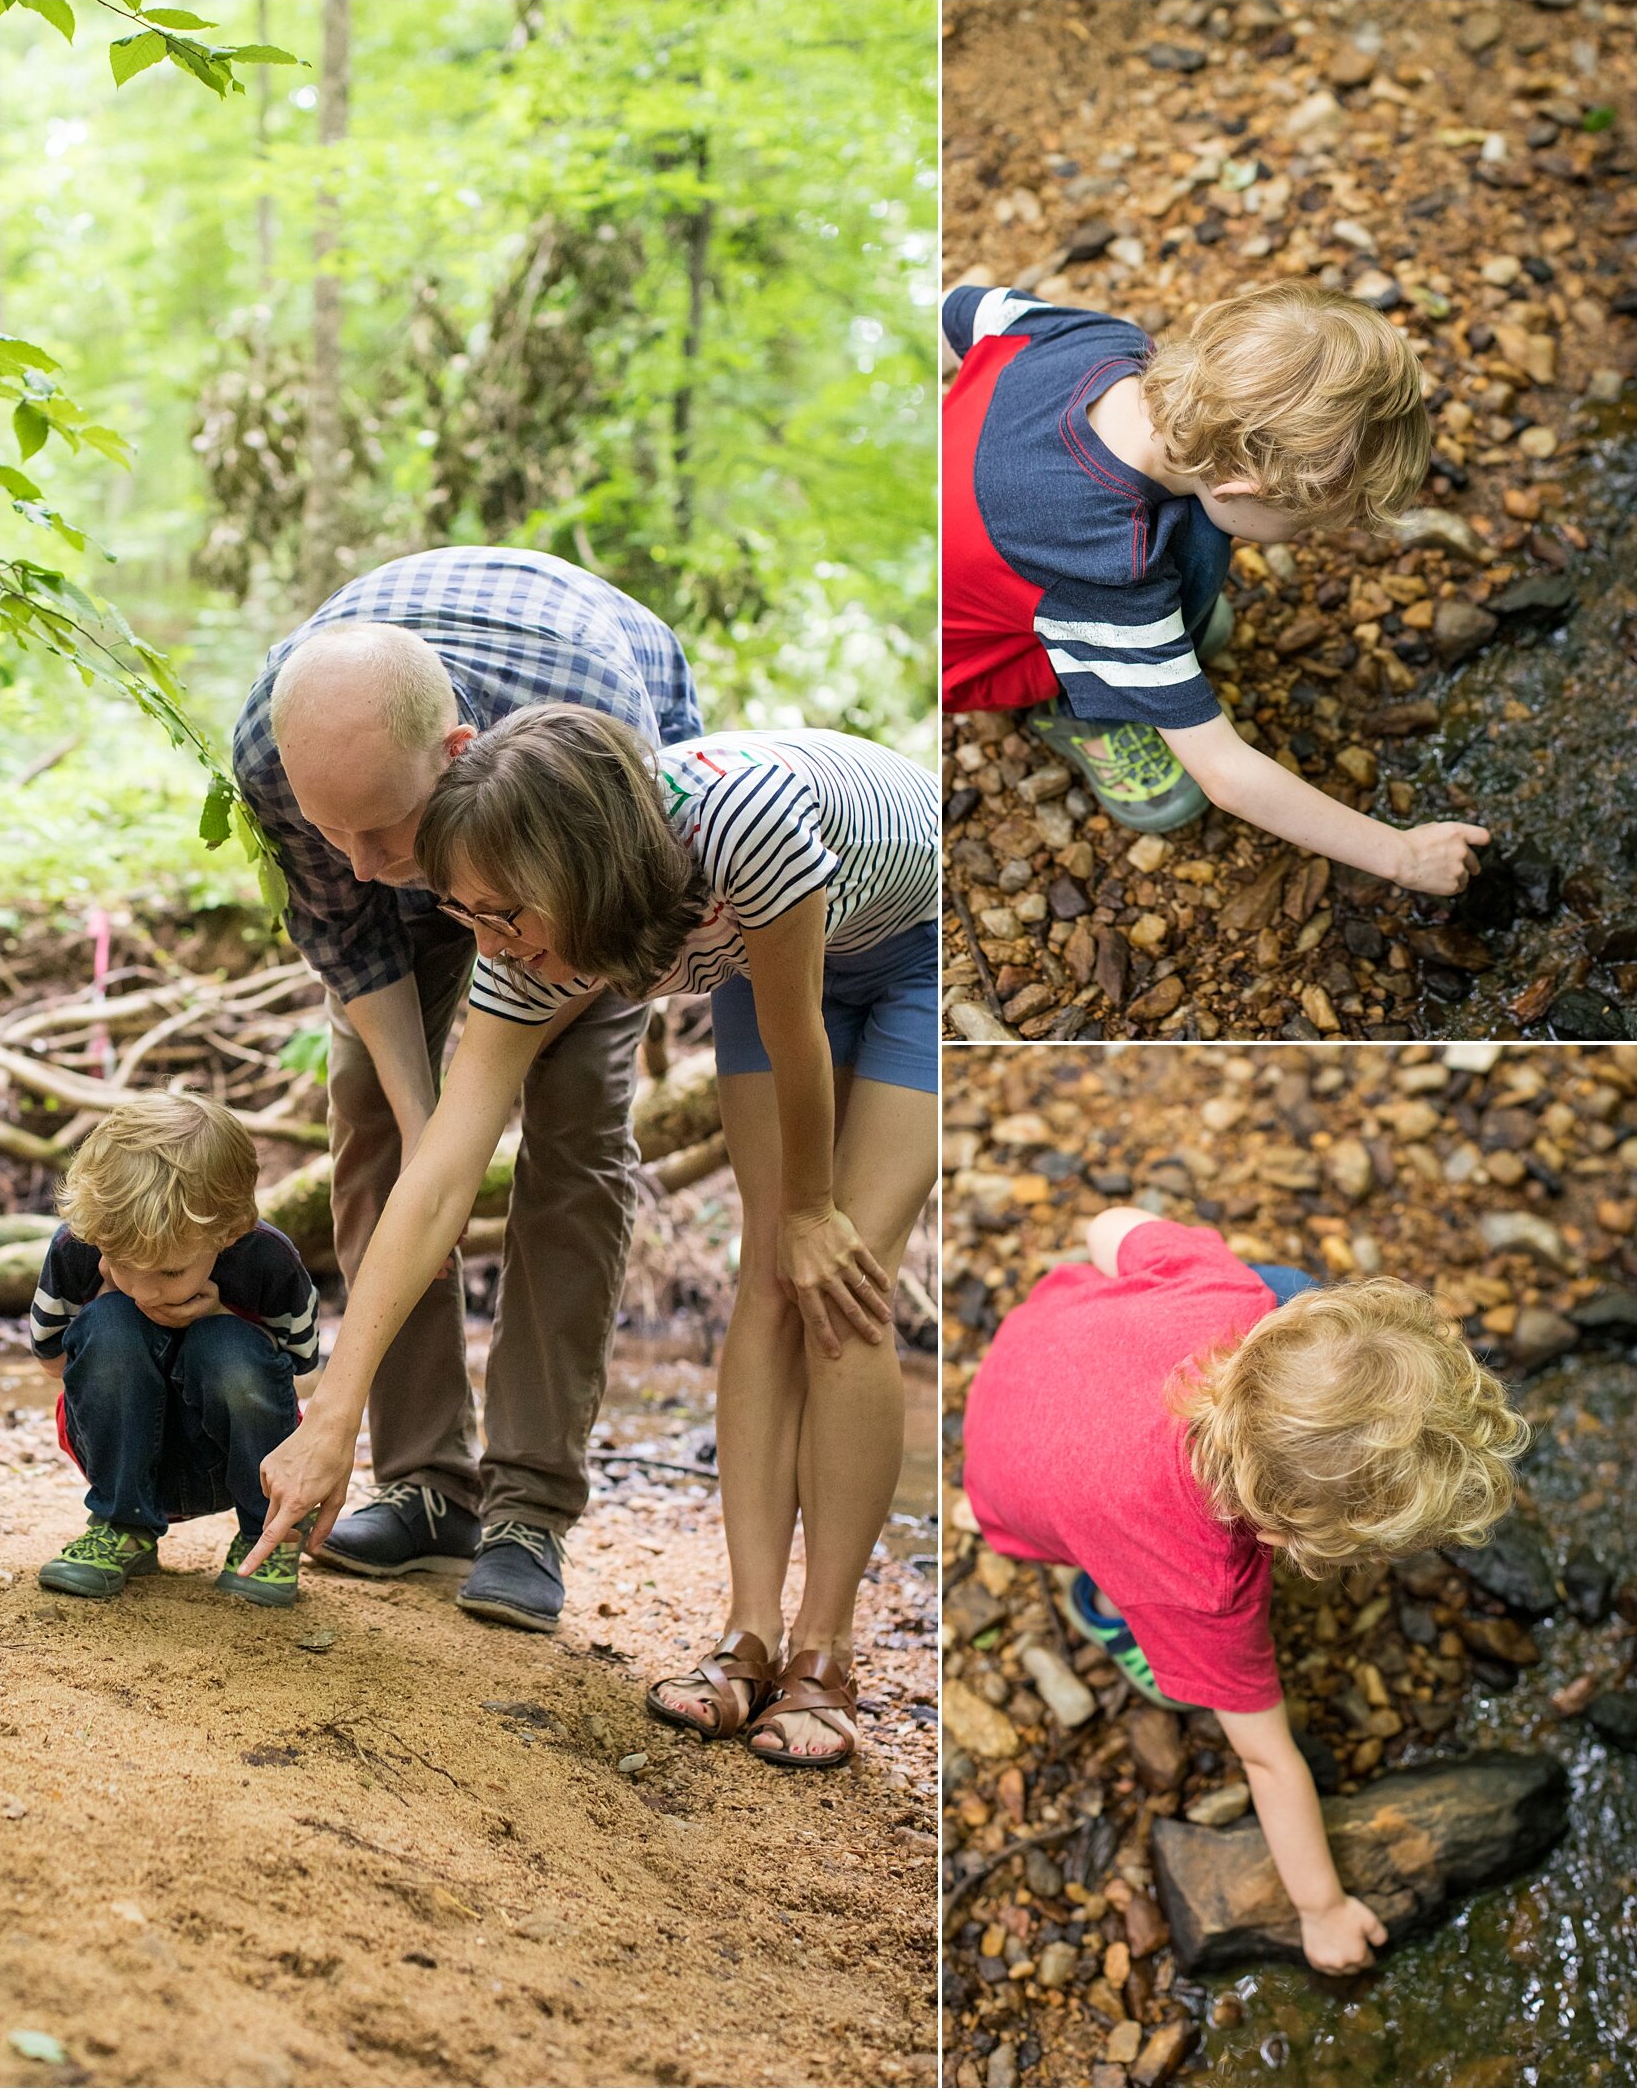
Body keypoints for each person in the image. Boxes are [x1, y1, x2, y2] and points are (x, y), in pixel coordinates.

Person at [236, 709, 939, 1768]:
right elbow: (435, 1184)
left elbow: (799, 1034)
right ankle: (748, 1638)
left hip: (910, 947)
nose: (495, 941)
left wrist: (811, 1212)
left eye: (507, 912)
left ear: (585, 867)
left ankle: (824, 1655)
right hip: (763, 963)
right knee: (766, 1285)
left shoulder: (739, 820)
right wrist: (334, 1415)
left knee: (845, 1284)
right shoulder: (520, 945)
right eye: (466, 913)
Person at [231, 546, 700, 1632]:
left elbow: (616, 919)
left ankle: (528, 1507)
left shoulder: (588, 728)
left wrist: (472, 1120)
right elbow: (353, 941)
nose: (350, 860)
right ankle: (423, 1484)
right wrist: (425, 1129)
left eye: (379, 832)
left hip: (574, 859)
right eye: (326, 829)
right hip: (438, 834)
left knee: (576, 1133)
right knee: (374, 1121)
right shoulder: (285, 758)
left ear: (456, 751)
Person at [958, 1210, 1530, 1971]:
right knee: (1183, 1670)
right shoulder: (1206, 1583)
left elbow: (1106, 1226)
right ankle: (1105, 1610)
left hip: (1028, 1355)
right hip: (1022, 1496)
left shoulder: (1217, 1286)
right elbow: (1268, 1762)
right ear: (1288, 1537)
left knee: (1282, 1287)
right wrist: (1322, 1910)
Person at [941, 276, 1488, 890]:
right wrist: (1402, 856)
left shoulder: (1096, 337)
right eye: (1302, 526)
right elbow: (1225, 772)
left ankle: (1154, 659)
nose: (1305, 538)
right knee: (1196, 536)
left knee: (1188, 530)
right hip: (970, 659)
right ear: (1242, 490)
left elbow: (956, 309)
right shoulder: (1102, 564)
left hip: (972, 551)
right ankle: (1089, 719)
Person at [31, 1093, 320, 1608]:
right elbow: (54, 1359)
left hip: (228, 1458)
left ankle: (267, 1534)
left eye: (168, 1272)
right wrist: (109, 1302)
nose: (146, 1291)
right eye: (122, 1264)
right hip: (120, 1452)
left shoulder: (267, 1261)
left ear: (229, 1234)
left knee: (226, 1346)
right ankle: (124, 1527)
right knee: (112, 1322)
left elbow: (298, 1363)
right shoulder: (78, 1247)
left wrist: (219, 1316)